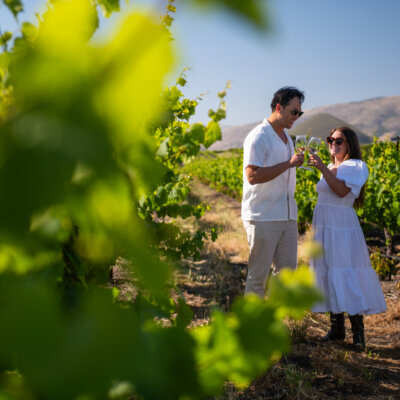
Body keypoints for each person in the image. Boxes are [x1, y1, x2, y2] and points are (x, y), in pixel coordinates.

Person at [308, 126, 387, 350]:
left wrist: (322, 167)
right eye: (330, 139)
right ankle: (337, 329)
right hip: (325, 226)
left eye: (338, 140)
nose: (333, 143)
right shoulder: (333, 167)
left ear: (349, 144)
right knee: (329, 270)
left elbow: (342, 192)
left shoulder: (355, 166)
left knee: (345, 272)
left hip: (341, 227)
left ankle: (358, 335)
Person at [242, 86, 305, 297]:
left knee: (286, 277)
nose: (296, 117)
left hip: (287, 216)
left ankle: (276, 326)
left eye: (299, 113)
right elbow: (253, 176)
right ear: (279, 107)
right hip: (263, 216)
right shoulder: (259, 136)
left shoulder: (287, 138)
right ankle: (252, 328)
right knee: (258, 278)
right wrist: (288, 164)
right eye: (293, 112)